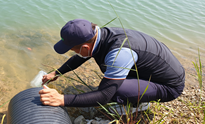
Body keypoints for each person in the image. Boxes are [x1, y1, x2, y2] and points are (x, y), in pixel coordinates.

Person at [39, 19, 185, 109]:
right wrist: (57, 73)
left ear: (85, 47)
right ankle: (137, 91)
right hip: (152, 70)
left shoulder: (119, 53)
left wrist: (61, 99)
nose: (74, 53)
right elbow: (81, 57)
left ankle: (137, 104)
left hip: (169, 86)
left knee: (114, 91)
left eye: (73, 50)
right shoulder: (100, 35)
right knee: (111, 81)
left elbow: (103, 95)